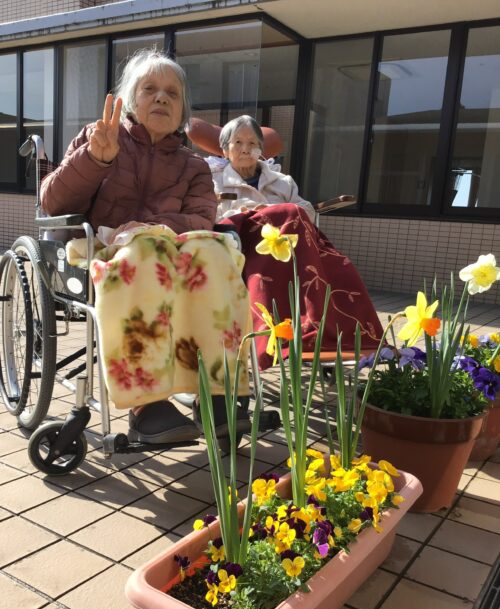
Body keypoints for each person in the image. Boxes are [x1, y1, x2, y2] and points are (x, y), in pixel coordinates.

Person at [41, 50, 251, 446]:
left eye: (172, 93)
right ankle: (146, 405)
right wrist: (95, 160)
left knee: (217, 253)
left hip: (170, 255)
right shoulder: (100, 136)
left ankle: (218, 394)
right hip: (104, 252)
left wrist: (152, 228)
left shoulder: (193, 166)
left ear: (183, 108)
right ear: (129, 100)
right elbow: (51, 203)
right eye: (149, 89)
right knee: (143, 253)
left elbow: (201, 218)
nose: (161, 98)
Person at [209, 115, 383, 370]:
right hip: (248, 247)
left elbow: (305, 211)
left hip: (294, 249)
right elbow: (211, 216)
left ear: (261, 149)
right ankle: (292, 335)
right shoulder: (214, 181)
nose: (245, 149)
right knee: (287, 212)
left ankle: (348, 336)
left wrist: (276, 212)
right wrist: (251, 212)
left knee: (338, 266)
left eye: (252, 143)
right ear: (225, 150)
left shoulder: (282, 182)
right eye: (238, 142)